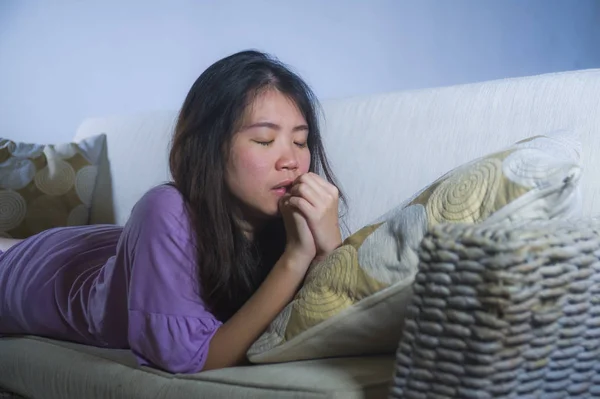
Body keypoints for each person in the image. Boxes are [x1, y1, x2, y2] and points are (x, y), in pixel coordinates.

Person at [0, 50, 347, 374]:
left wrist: (330, 246)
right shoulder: (166, 209)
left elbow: (330, 325)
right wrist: (297, 257)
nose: (290, 161)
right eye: (264, 141)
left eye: (300, 142)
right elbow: (194, 358)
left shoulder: (292, 218)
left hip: (125, 250)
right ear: (210, 146)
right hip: (44, 270)